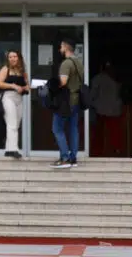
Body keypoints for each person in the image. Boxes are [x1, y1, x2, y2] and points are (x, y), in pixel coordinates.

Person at [52, 38, 83, 168]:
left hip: (66, 101)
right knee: (73, 129)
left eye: (61, 47)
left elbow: (63, 82)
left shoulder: (66, 63)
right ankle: (73, 158)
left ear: (66, 47)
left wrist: (50, 85)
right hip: (76, 100)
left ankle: (65, 158)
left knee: (57, 128)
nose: (60, 49)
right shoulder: (78, 62)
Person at [0, 50, 29, 158]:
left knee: (16, 124)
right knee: (12, 123)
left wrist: (23, 88)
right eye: (10, 57)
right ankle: (14, 149)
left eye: (15, 56)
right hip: (8, 97)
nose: (12, 59)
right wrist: (13, 86)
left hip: (19, 98)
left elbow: (27, 86)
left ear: (19, 58)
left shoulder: (23, 71)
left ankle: (8, 149)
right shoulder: (5, 69)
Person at [90, 61, 125, 157]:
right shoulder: (117, 78)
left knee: (99, 133)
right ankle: (116, 151)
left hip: (101, 111)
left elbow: (92, 95)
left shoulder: (98, 78)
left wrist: (92, 104)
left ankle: (98, 152)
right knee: (114, 132)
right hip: (114, 111)